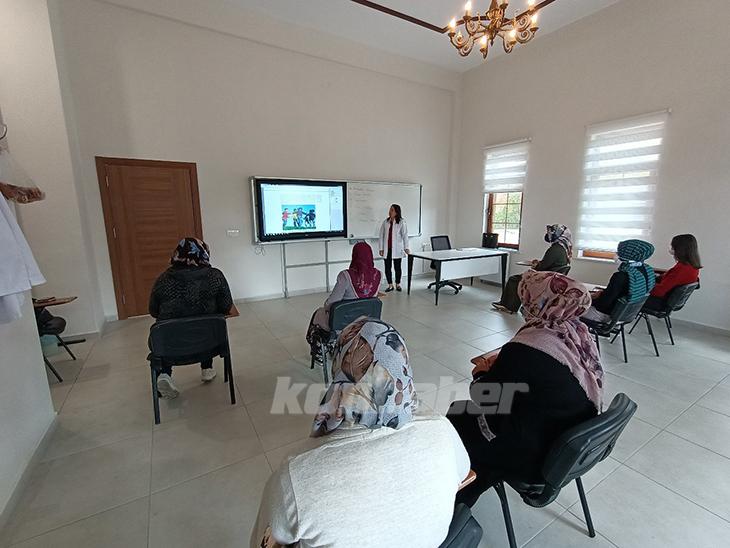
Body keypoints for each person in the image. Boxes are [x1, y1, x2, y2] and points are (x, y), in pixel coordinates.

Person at [253, 319, 471, 548]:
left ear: (340, 371)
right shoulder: (441, 429)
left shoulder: (296, 477)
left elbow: (264, 542)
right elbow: (463, 471)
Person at [447, 270, 603, 507]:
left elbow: (485, 396)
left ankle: (460, 494)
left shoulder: (527, 348)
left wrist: (481, 372)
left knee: (457, 413)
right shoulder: (580, 336)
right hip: (565, 450)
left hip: (534, 456)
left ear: (538, 301)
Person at [148, 237, 233, 399]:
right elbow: (226, 307)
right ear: (203, 253)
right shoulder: (215, 276)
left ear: (177, 254)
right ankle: (207, 368)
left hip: (170, 346)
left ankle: (164, 374)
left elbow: (153, 311)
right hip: (210, 343)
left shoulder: (162, 280)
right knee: (207, 324)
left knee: (165, 331)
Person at [306, 242, 381, 358]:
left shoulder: (345, 276)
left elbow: (331, 303)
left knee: (318, 313)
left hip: (342, 325)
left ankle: (319, 351)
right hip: (366, 323)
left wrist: (325, 306)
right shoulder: (378, 275)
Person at [492, 224, 572, 313]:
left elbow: (542, 266)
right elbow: (549, 263)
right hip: (552, 279)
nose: (549, 235)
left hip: (545, 279)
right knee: (518, 278)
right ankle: (509, 305)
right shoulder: (564, 249)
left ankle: (509, 306)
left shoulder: (555, 249)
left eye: (551, 232)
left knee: (514, 279)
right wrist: (538, 263)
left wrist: (535, 265)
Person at [583, 239, 656, 323]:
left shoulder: (621, 276)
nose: (617, 254)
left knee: (571, 309)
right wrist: (603, 294)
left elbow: (603, 305)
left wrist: (589, 298)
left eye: (619, 251)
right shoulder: (647, 271)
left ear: (628, 253)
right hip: (626, 315)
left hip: (606, 315)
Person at [644, 234, 701, 311]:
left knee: (629, 291)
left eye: (673, 247)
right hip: (666, 301)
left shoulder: (682, 269)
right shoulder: (692, 267)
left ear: (680, 250)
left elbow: (659, 291)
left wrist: (642, 285)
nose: (672, 250)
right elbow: (670, 279)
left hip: (659, 302)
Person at [378, 203, 409, 292]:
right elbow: (381, 236)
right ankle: (390, 285)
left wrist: (406, 247)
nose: (390, 211)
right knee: (387, 267)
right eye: (390, 209)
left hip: (397, 249)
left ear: (396, 212)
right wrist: (381, 248)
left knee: (397, 267)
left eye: (392, 210)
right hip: (387, 249)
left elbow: (405, 235)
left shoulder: (402, 222)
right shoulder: (385, 222)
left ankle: (398, 284)